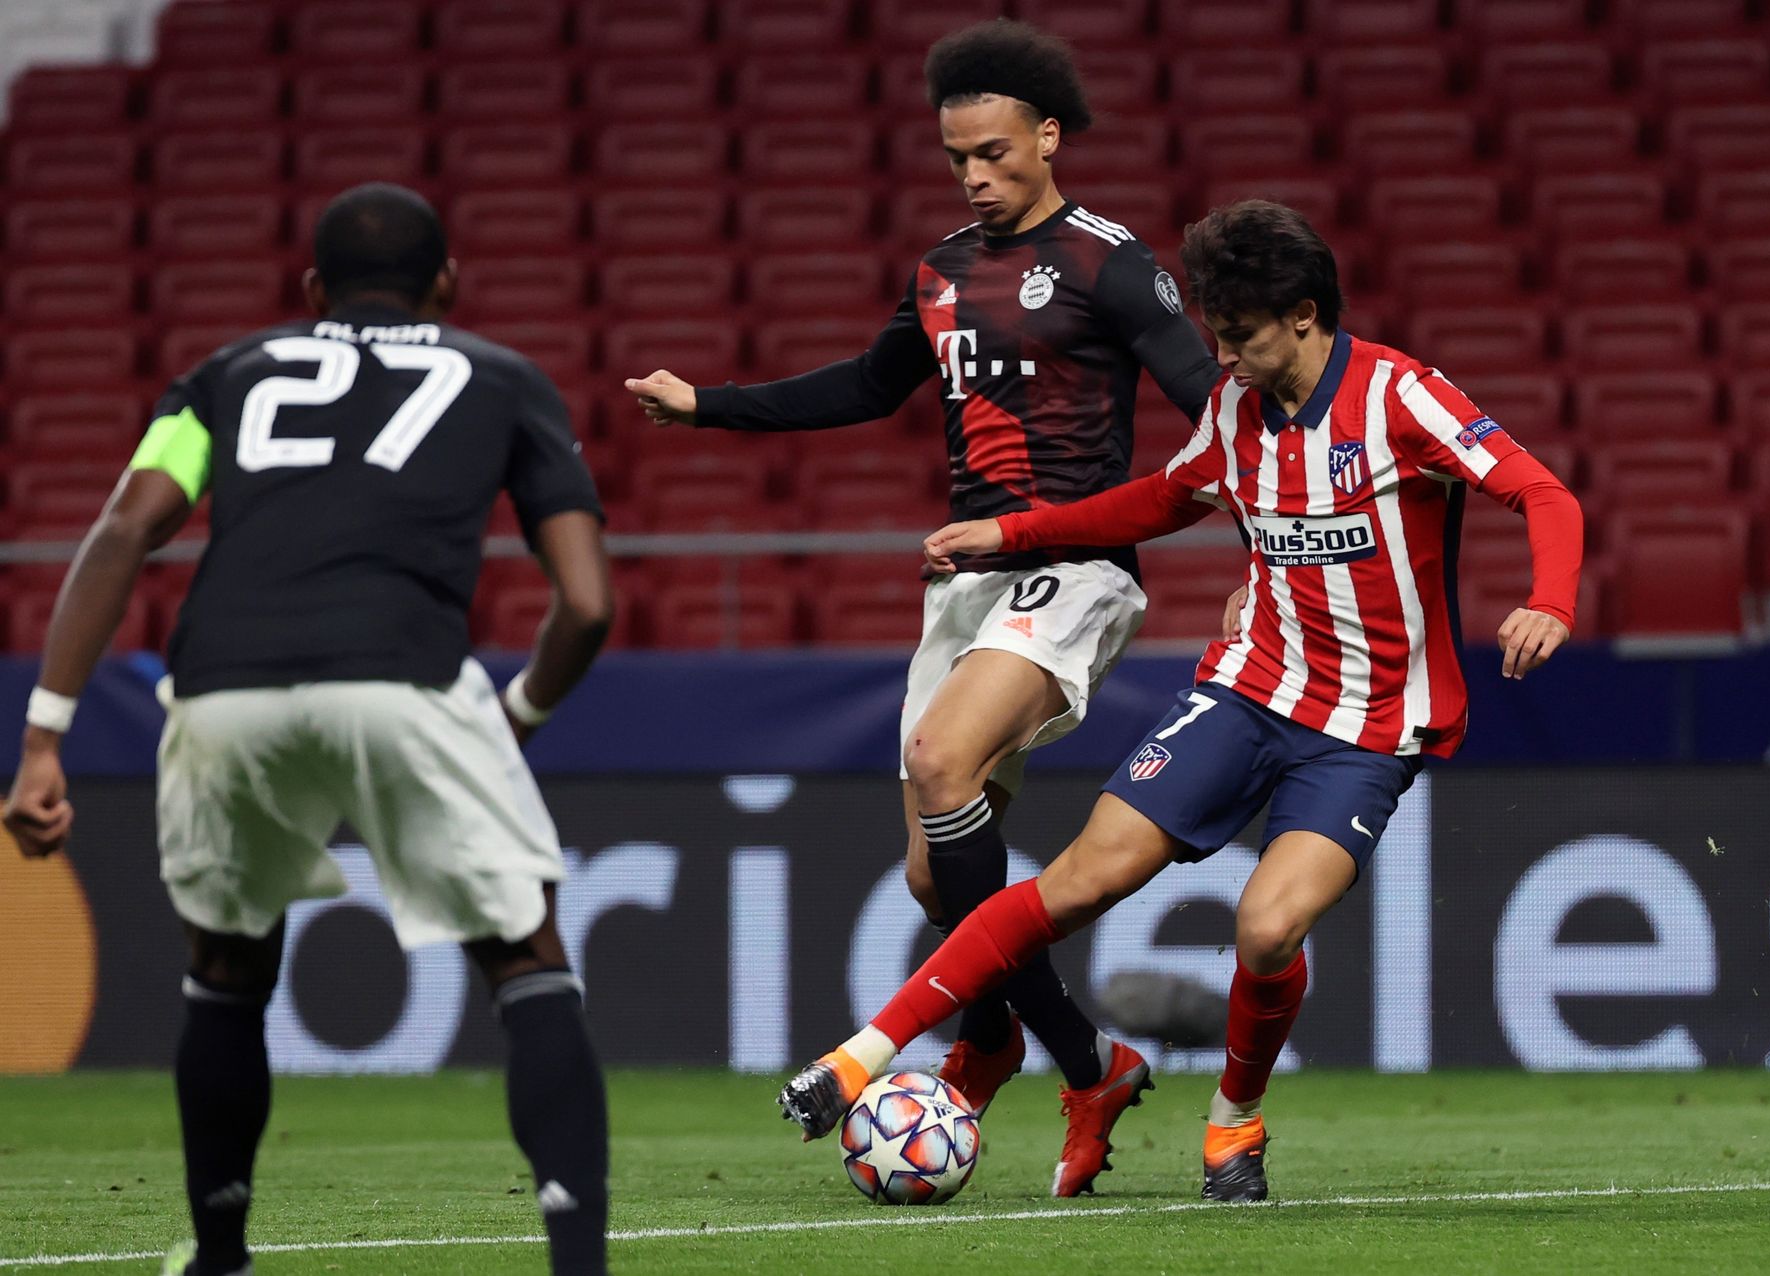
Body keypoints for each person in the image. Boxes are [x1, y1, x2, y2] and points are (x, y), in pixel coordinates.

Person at [777, 200, 1585, 1203]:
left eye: (1239, 336)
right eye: (1215, 335)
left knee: (1267, 929)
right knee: (1075, 884)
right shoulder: (1238, 411)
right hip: (1247, 693)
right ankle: (857, 1057)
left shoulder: (1399, 396)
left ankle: (1234, 1119)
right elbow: (1163, 497)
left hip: (1368, 729)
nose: (1223, 357)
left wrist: (1549, 600)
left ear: (1302, 315)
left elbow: (1544, 494)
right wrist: (1014, 533)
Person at [628, 20, 1220, 1196]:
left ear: (1048, 138)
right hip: (967, 584)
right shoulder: (941, 268)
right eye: (959, 159)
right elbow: (866, 384)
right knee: (933, 880)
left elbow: (1212, 404)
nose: (976, 177)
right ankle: (1054, 1052)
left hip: (1074, 569)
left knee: (940, 758)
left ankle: (1051, 1057)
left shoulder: (1112, 262)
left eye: (995, 153)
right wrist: (709, 405)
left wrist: (1264, 527)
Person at [2, 184, 615, 1276]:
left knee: (226, 965)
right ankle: (578, 1264)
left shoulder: (224, 375)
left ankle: (220, 1254)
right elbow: (587, 602)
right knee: (525, 952)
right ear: (447, 284)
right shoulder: (505, 378)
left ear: (312, 290)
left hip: (222, 686)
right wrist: (519, 713)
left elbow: (126, 528)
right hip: (401, 677)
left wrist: (44, 736)